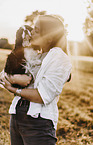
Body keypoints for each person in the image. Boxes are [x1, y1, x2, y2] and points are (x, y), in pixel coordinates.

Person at [1, 14, 72, 145]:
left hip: (38, 122)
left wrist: (13, 88)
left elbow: (41, 96)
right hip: (17, 115)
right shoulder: (35, 55)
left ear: (49, 37)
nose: (31, 32)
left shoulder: (58, 57)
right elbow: (3, 75)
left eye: (37, 30)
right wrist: (17, 77)